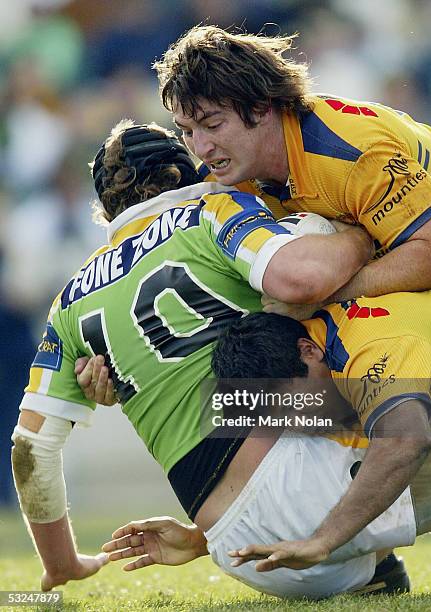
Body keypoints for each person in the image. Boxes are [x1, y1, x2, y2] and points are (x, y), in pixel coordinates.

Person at [11, 120, 380, 598]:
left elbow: (30, 449)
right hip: (315, 490)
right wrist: (356, 236)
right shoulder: (211, 209)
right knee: (358, 290)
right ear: (187, 170)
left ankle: (376, 569)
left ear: (106, 207)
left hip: (238, 550)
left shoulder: (68, 303)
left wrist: (62, 564)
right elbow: (305, 273)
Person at [101, 294, 431, 594]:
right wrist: (203, 539)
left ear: (307, 351)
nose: (298, 424)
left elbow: (408, 445)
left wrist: (322, 542)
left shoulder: (371, 344)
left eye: (293, 407)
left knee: (394, 450)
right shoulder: (321, 387)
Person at [154, 25, 431, 299]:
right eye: (187, 131)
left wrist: (326, 295)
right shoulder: (217, 179)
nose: (201, 147)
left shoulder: (351, 152)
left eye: (213, 125)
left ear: (260, 107)